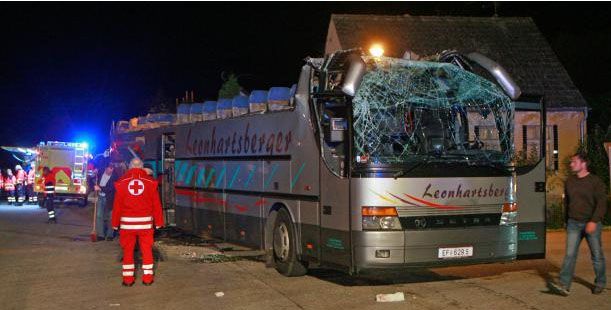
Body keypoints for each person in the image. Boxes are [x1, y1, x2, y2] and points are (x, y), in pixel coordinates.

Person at [550, 152, 607, 296]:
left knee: (597, 255)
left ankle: (600, 282)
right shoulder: (569, 181)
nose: (571, 164)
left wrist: (594, 221)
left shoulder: (595, 181)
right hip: (573, 223)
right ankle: (564, 285)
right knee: (569, 255)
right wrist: (565, 221)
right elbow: (567, 203)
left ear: (583, 163)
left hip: (591, 223)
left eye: (574, 161)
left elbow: (601, 203)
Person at [112, 158, 163, 286]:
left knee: (128, 251)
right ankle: (147, 278)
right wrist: (159, 222)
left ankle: (128, 280)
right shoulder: (150, 182)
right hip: (145, 224)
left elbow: (117, 205)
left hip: (127, 225)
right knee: (146, 250)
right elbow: (156, 204)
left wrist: (115, 223)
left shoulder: (122, 182)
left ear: (129, 167)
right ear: (141, 167)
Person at [94, 163, 117, 241]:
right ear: (106, 168)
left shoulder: (114, 177)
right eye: (110, 168)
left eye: (112, 168)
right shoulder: (100, 174)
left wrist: (100, 188)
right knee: (99, 215)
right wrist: (94, 175)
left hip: (110, 199)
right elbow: (91, 181)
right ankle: (101, 235)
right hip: (100, 197)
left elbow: (110, 188)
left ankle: (110, 235)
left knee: (111, 217)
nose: (111, 170)